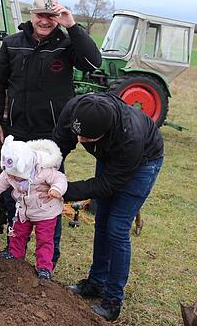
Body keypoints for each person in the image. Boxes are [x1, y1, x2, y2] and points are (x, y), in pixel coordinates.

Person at [0, 0, 102, 265]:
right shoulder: (12, 44)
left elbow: (93, 62)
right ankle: (13, 252)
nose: (45, 22)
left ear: (58, 19)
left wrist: (72, 26)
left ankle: (49, 259)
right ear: (31, 15)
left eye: (52, 17)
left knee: (48, 196)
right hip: (18, 134)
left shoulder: (66, 44)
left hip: (52, 138)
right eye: (41, 16)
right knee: (12, 193)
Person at [44, 92, 163, 322]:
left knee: (117, 227)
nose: (79, 141)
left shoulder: (130, 138)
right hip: (110, 157)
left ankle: (112, 300)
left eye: (86, 139)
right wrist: (47, 175)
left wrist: (66, 191)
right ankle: (95, 283)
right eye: (78, 135)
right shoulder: (74, 111)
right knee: (102, 222)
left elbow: (108, 184)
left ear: (104, 133)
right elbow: (58, 148)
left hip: (143, 162)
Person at [0, 136, 67, 280]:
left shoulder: (43, 170)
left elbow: (60, 179)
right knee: (16, 233)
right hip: (23, 210)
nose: (13, 179)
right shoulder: (10, 171)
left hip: (45, 212)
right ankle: (15, 255)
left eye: (17, 177)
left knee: (45, 240)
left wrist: (56, 190)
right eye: (11, 176)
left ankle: (44, 267)